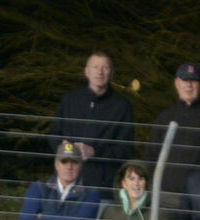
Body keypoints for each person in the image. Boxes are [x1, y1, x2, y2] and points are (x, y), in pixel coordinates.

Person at [48, 51, 136, 190]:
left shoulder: (122, 106)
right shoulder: (70, 99)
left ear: (112, 73)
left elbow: (126, 150)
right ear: (86, 72)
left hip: (102, 187)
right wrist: (62, 146)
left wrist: (95, 151)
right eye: (95, 67)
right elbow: (53, 134)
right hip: (66, 184)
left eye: (105, 68)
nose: (100, 72)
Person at [142, 62, 200, 201]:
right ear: (176, 83)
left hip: (198, 197)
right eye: (185, 80)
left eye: (193, 81)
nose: (189, 85)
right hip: (165, 196)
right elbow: (151, 155)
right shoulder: (164, 117)